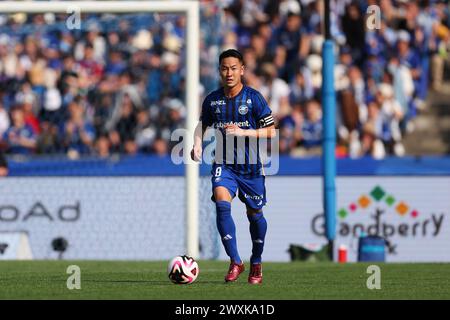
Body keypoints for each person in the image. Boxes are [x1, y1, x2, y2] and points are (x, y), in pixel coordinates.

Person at [190, 49, 276, 284]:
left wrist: (244, 132)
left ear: (242, 70)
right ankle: (235, 260)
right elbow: (202, 124)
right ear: (220, 71)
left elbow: (271, 130)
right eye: (225, 68)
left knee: (254, 214)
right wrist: (197, 144)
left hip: (250, 168)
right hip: (224, 163)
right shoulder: (212, 99)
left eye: (233, 68)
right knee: (220, 200)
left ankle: (256, 262)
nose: (229, 73)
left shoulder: (253, 98)